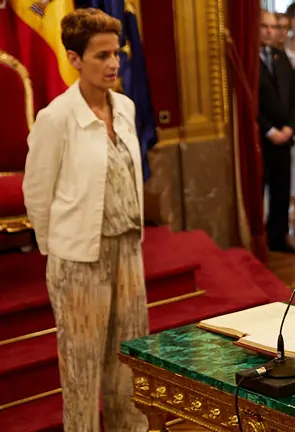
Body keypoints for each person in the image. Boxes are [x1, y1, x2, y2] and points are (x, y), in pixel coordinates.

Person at [22, 8, 148, 431]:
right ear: (75, 59)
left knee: (128, 362)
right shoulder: (55, 118)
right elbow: (36, 194)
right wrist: (60, 251)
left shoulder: (126, 107)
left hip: (129, 250)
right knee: (81, 369)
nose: (114, 63)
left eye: (117, 53)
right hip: (78, 260)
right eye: (102, 55)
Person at [258, 11, 295, 253]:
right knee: (262, 189)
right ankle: (259, 237)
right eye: (264, 26)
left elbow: (293, 96)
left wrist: (290, 126)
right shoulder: (249, 60)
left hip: (285, 134)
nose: (269, 31)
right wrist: (269, 129)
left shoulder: (281, 56)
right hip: (263, 137)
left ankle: (279, 236)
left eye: (273, 27)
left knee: (282, 188)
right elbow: (249, 102)